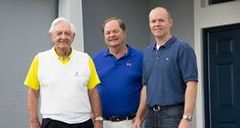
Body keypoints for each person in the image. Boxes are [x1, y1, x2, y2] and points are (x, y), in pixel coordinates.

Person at [24, 17, 103, 128]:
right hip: (53, 122)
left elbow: (93, 92)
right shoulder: (40, 59)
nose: (63, 37)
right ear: (52, 36)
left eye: (67, 33)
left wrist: (98, 120)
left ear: (73, 37)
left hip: (83, 123)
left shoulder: (85, 59)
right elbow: (33, 92)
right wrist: (33, 121)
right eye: (59, 33)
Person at [133, 7, 198, 128]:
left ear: (170, 22)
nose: (157, 24)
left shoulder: (182, 48)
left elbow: (192, 84)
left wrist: (187, 118)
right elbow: (146, 87)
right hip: (151, 116)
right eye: (153, 21)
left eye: (161, 20)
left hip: (173, 116)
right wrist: (139, 116)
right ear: (149, 24)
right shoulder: (147, 52)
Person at [93, 17, 143, 128]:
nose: (111, 35)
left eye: (115, 31)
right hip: (103, 123)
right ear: (104, 37)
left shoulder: (140, 57)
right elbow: (91, 90)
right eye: (108, 33)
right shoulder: (96, 60)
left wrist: (140, 116)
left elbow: (147, 89)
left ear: (124, 33)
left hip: (130, 123)